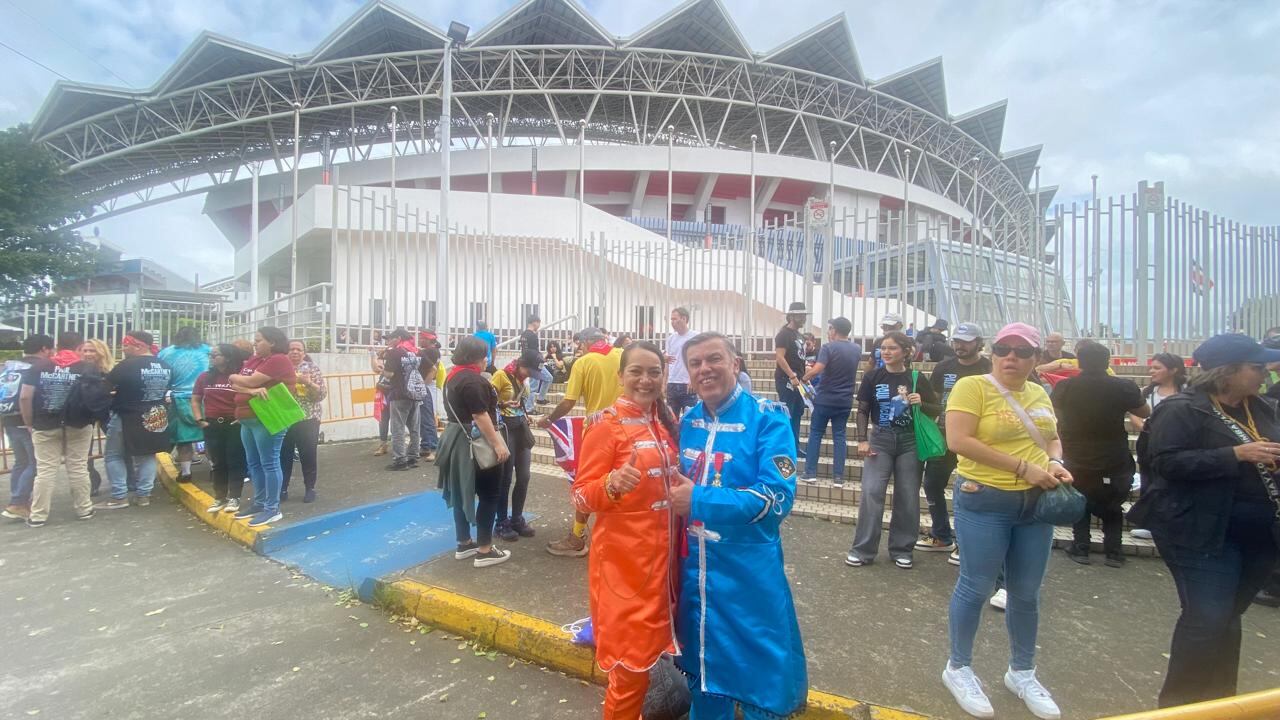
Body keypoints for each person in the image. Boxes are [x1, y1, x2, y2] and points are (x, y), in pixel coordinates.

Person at [1127, 333, 1280, 708]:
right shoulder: (1182, 409)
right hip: (1201, 532)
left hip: (1258, 533)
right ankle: (1178, 708)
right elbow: (1165, 464)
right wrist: (1235, 455)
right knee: (1208, 617)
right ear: (1227, 372)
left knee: (1228, 617)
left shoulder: (1260, 407)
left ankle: (1220, 705)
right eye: (1257, 367)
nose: (1266, 373)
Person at [673, 332, 807, 719]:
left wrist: (699, 500)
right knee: (702, 668)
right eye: (695, 363)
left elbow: (775, 498)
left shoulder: (768, 418)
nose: (705, 369)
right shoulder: (688, 421)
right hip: (694, 575)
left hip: (749, 576)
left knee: (759, 673)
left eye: (714, 359)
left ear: (735, 364)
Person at [941, 322, 1069, 720]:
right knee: (976, 586)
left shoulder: (1039, 392)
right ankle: (958, 667)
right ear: (992, 353)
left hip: (1036, 502)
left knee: (1026, 592)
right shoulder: (972, 387)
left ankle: (1022, 671)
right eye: (1003, 349)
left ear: (1036, 358)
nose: (1011, 356)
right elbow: (959, 441)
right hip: (985, 498)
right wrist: (1022, 468)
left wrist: (1055, 462)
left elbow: (1051, 437)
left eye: (1022, 351)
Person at [572, 341, 682, 719]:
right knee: (628, 676)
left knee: (653, 662)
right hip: (624, 573)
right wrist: (611, 484)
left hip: (666, 572)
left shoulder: (665, 422)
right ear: (620, 376)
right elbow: (580, 496)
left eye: (654, 372)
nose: (645, 379)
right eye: (636, 371)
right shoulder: (605, 426)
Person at [1051, 342, 1149, 568]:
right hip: (1114, 454)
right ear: (1107, 362)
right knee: (1113, 502)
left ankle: (1081, 548)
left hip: (1077, 453)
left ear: (1080, 361)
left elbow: (1053, 415)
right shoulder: (1123, 386)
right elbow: (1145, 411)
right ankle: (1114, 552)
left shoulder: (1065, 386)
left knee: (1080, 498)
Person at [848, 332, 940, 569]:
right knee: (871, 492)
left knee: (907, 495)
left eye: (892, 348)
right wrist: (862, 440)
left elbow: (936, 409)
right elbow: (862, 410)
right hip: (880, 439)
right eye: (883, 348)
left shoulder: (917, 378)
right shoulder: (873, 376)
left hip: (910, 441)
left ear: (906, 351)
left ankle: (902, 549)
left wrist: (922, 402)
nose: (886, 352)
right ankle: (862, 550)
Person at [537, 327, 623, 557]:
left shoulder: (583, 362)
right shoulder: (623, 354)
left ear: (585, 343)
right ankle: (618, 539)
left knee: (586, 485)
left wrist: (549, 419)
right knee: (621, 483)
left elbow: (568, 402)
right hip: (627, 430)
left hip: (597, 433)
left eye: (579, 345)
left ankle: (577, 538)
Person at [435, 336, 512, 568]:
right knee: (489, 495)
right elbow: (480, 415)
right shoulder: (473, 381)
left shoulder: (452, 376)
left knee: (460, 492)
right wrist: (498, 444)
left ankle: (464, 543)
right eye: (485, 355)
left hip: (455, 440)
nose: (487, 359)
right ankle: (485, 550)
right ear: (477, 357)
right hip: (476, 441)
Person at [917, 323, 991, 555]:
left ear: (979, 343)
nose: (960, 346)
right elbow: (934, 400)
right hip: (945, 435)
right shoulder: (944, 367)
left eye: (966, 342)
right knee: (932, 484)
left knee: (974, 489)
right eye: (957, 341)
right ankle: (941, 536)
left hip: (978, 438)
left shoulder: (989, 368)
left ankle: (968, 544)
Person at [19, 333, 99, 527]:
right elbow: (96, 397)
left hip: (44, 424)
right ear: (79, 347)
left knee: (45, 470)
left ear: (57, 346)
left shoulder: (38, 367)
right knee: (78, 467)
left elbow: (24, 397)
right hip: (79, 424)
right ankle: (84, 508)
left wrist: (29, 423)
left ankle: (38, 515)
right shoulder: (87, 368)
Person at [228, 326, 297, 527]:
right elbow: (237, 385)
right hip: (248, 419)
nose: (255, 343)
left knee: (269, 463)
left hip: (266, 419)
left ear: (272, 342)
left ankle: (272, 509)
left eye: (259, 340)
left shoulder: (278, 360)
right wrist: (249, 389)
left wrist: (234, 377)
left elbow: (249, 380)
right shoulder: (256, 360)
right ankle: (259, 503)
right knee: (254, 463)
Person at [96, 331, 172, 510]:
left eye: (126, 345)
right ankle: (144, 495)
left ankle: (119, 496)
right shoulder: (165, 365)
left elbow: (104, 388)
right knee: (147, 455)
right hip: (156, 415)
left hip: (127, 416)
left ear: (139, 345)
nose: (123, 348)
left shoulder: (126, 365)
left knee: (114, 455)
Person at [800, 317, 861, 487]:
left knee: (816, 434)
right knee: (839, 436)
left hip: (825, 399)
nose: (828, 332)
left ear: (834, 330)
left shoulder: (828, 348)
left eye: (830, 328)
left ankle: (810, 473)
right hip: (845, 400)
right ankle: (838, 477)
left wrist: (804, 378)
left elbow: (818, 369)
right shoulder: (857, 349)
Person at [491, 349, 540, 542]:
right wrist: (503, 405)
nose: (530, 375)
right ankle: (501, 521)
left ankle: (517, 518)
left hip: (521, 428)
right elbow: (486, 403)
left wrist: (526, 415)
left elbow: (520, 404)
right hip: (505, 429)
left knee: (524, 476)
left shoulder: (523, 380)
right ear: (520, 364)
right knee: (505, 478)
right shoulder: (500, 376)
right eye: (529, 370)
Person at [193, 344, 249, 514]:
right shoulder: (205, 377)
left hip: (234, 423)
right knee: (217, 462)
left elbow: (248, 397)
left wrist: (242, 417)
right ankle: (219, 497)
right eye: (210, 354)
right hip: (212, 424)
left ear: (228, 357)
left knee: (235, 460)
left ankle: (235, 497)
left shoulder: (238, 377)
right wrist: (199, 419)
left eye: (216, 354)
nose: (211, 357)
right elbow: (196, 399)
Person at [157, 326, 210, 482]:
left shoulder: (166, 353)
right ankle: (215, 469)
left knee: (183, 439)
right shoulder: (207, 350)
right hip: (206, 398)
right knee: (209, 437)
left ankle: (186, 472)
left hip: (179, 400)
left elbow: (163, 375)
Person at [280, 340, 326, 503]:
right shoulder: (280, 369)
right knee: (283, 455)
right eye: (291, 349)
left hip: (308, 418)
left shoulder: (312, 369)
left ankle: (310, 488)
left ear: (304, 353)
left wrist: (308, 383)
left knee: (308, 455)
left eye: (298, 349)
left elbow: (321, 394)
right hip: (285, 418)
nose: (295, 352)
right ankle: (282, 489)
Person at [1, 337, 40, 520]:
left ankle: (17, 500)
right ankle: (18, 502)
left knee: (20, 462)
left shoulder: (10, 367)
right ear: (45, 349)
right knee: (35, 463)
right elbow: (26, 397)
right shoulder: (36, 368)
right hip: (26, 420)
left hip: (9, 418)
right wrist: (30, 422)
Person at [381, 328, 428, 471]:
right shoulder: (416, 351)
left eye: (391, 338)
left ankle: (400, 460)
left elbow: (389, 374)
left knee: (398, 428)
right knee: (414, 428)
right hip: (415, 393)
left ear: (399, 338)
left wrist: (381, 369)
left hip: (399, 394)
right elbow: (431, 368)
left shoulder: (395, 352)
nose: (388, 341)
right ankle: (413, 457)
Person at [77, 339, 116, 497]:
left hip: (107, 412)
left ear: (101, 352)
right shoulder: (77, 369)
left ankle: (126, 480)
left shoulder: (111, 371)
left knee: (117, 447)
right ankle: (91, 483)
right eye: (85, 350)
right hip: (83, 414)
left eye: (92, 350)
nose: (88, 354)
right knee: (84, 452)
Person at [774, 302, 810, 452]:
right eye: (800, 316)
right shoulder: (784, 334)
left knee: (798, 412)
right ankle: (785, 447)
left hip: (799, 381)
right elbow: (780, 357)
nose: (803, 318)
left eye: (804, 315)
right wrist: (792, 376)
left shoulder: (800, 335)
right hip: (787, 380)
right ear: (792, 316)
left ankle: (795, 446)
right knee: (788, 413)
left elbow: (799, 358)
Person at [665, 306, 697, 418]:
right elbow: (668, 362)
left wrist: (693, 379)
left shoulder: (695, 337)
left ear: (684, 319)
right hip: (672, 384)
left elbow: (699, 360)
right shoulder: (671, 339)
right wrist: (665, 382)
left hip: (687, 385)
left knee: (690, 419)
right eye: (671, 319)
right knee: (671, 420)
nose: (672, 322)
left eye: (675, 319)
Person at [520, 316, 553, 410]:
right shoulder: (533, 336)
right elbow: (534, 352)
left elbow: (525, 350)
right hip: (534, 363)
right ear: (534, 322)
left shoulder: (523, 335)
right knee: (533, 386)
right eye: (539, 323)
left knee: (548, 378)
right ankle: (529, 408)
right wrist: (540, 362)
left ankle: (540, 399)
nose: (539, 325)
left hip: (527, 361)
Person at [418, 331, 442, 459]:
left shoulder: (430, 351)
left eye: (422, 338)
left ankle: (433, 447)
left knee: (427, 417)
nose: (419, 340)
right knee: (424, 417)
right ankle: (426, 445)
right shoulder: (434, 351)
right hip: (428, 385)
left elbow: (432, 370)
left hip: (426, 384)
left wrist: (423, 385)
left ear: (429, 339)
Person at [369, 338, 391, 456]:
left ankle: (400, 447)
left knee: (397, 422)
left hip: (395, 394)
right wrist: (372, 354)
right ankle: (383, 444)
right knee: (383, 420)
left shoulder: (398, 354)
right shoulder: (386, 356)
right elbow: (376, 368)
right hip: (384, 393)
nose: (388, 342)